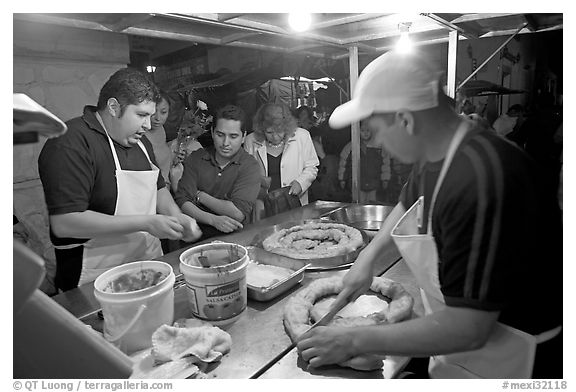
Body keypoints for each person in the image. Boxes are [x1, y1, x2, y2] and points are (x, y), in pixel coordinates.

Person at [296, 51, 562, 378]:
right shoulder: (435, 154)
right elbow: (408, 203)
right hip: (457, 350)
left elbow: (469, 327)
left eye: (375, 129)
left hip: (512, 359)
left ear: (405, 120)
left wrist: (352, 339)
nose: (375, 141)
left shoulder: (479, 179)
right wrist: (368, 258)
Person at [38, 68, 202, 291]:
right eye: (141, 115)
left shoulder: (141, 144)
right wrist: (147, 222)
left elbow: (158, 187)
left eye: (151, 116)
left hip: (147, 266)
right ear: (114, 107)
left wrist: (176, 217)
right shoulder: (70, 143)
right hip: (94, 280)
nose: (148, 125)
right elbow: (65, 223)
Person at [174, 105, 261, 240]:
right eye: (220, 135)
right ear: (213, 132)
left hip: (235, 239)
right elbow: (183, 200)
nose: (226, 143)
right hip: (194, 237)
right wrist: (213, 220)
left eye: (233, 136)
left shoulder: (250, 166)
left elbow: (237, 213)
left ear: (243, 137)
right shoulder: (197, 157)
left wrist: (200, 195)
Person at [244, 102, 319, 206]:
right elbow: (246, 172)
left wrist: (300, 183)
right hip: (263, 205)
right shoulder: (250, 140)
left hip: (294, 203)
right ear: (261, 129)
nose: (275, 137)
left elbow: (312, 166)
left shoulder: (302, 136)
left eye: (279, 131)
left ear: (287, 127)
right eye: (269, 132)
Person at [338, 120, 391, 203]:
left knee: (373, 204)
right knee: (358, 205)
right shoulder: (351, 147)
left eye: (368, 130)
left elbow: (386, 165)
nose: (365, 133)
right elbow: (343, 164)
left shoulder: (379, 147)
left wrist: (385, 179)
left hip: (374, 183)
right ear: (358, 131)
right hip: (358, 184)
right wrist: (342, 179)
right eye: (362, 131)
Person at [145, 89, 173, 186]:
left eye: (163, 112)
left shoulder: (161, 129)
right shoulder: (139, 135)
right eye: (153, 112)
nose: (157, 118)